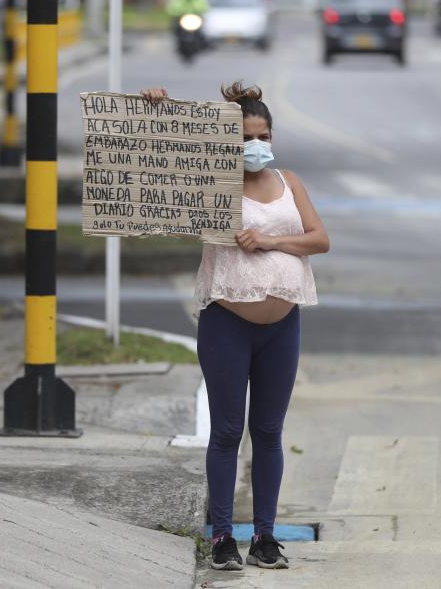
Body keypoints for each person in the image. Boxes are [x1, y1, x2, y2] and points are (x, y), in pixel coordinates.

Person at [141, 82, 329, 571]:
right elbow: (162, 171)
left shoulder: (289, 182)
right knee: (227, 432)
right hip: (227, 323)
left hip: (282, 327)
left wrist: (269, 240)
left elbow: (318, 238)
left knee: (268, 432)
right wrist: (158, 113)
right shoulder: (212, 183)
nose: (255, 146)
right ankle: (223, 537)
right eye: (245, 138)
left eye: (263, 135)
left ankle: (265, 537)